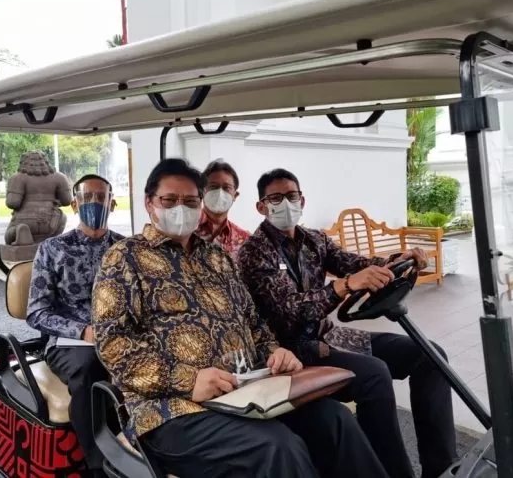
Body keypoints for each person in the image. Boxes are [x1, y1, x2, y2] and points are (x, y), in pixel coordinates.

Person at [92, 158, 390, 478]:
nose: (181, 208)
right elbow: (112, 343)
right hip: (172, 409)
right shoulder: (125, 257)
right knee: (278, 447)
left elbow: (253, 321)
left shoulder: (218, 258)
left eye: (190, 201)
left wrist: (274, 351)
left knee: (334, 420)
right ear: (149, 203)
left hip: (246, 392)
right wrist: (189, 381)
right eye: (170, 200)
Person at [238, 168, 458, 478]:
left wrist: (396, 261)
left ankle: (442, 468)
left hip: (330, 337)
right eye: (275, 198)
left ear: (302, 200)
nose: (285, 204)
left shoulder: (314, 240)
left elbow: (354, 264)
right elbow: (290, 310)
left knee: (430, 355)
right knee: (374, 375)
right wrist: (344, 286)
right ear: (261, 206)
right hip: (289, 352)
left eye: (291, 196)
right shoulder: (253, 253)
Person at [27, 174, 125, 477]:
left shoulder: (126, 248)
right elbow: (37, 312)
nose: (94, 203)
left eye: (101, 197)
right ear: (74, 205)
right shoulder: (52, 249)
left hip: (119, 336)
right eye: (87, 197)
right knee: (89, 370)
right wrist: (83, 332)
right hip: (70, 342)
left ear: (112, 204)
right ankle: (100, 466)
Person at [195, 159, 251, 260]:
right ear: (201, 191)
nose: (220, 193)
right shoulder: (185, 230)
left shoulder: (244, 240)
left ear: (235, 195)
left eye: (226, 188)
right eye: (213, 187)